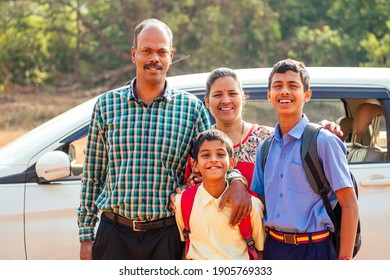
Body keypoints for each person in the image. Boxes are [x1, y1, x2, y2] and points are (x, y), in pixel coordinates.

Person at [77, 18, 248, 260]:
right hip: (114, 234)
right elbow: (92, 175)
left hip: (167, 236)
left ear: (171, 56)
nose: (154, 58)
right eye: (146, 51)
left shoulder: (190, 109)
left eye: (161, 52)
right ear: (134, 54)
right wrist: (86, 236)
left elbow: (214, 156)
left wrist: (236, 178)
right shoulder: (106, 105)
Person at [250, 58, 359, 260]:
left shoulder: (323, 141)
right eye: (278, 86)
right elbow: (261, 203)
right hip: (274, 248)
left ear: (306, 95)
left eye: (293, 86)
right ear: (269, 95)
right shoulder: (264, 148)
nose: (284, 92)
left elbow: (349, 204)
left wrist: (345, 261)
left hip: (314, 248)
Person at [174, 129, 265, 260]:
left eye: (220, 154)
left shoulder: (252, 207)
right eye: (206, 155)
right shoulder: (182, 202)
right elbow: (187, 243)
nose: (213, 160)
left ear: (232, 164)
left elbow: (259, 250)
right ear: (195, 165)